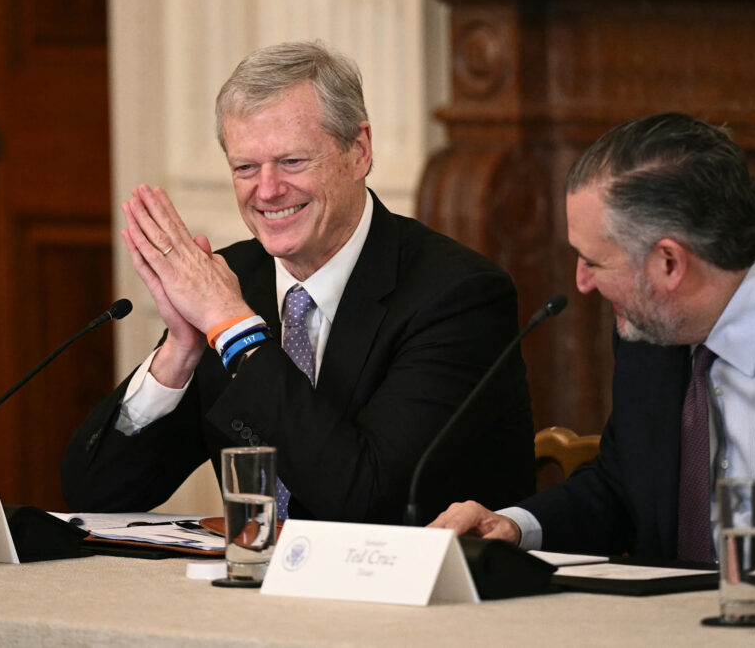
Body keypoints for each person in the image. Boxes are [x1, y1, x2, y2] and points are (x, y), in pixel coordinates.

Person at [431, 113, 755, 564]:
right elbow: (621, 486)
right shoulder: (647, 324)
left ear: (669, 262)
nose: (582, 282)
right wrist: (514, 526)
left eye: (595, 261)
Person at [61, 41, 535, 524]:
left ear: (359, 151)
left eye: (292, 162)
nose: (267, 191)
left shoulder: (459, 296)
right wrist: (178, 353)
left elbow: (369, 500)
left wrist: (236, 331)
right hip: (255, 572)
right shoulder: (232, 282)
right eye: (246, 168)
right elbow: (94, 492)